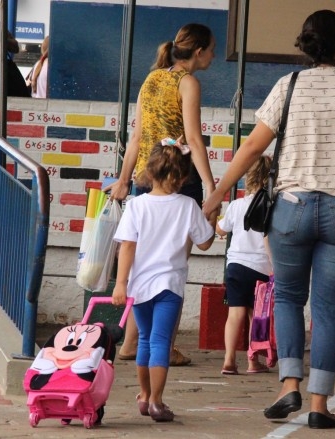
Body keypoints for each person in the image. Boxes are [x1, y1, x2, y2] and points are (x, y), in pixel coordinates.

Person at [202, 10, 335, 429]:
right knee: (328, 307)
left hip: (290, 209)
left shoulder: (287, 86)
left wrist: (219, 192)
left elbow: (255, 146)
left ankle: (288, 383)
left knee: (289, 297)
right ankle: (318, 405)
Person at [106, 23, 217, 367]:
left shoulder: (152, 79)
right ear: (198, 51)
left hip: (145, 178)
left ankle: (131, 342)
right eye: (212, 49)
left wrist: (124, 180)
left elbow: (136, 137)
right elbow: (194, 140)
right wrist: (212, 186)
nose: (213, 55)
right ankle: (163, 345)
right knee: (173, 266)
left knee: (145, 263)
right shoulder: (188, 82)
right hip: (179, 180)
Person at [111, 138, 217, 423]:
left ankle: (145, 396)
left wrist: (121, 284)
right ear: (183, 176)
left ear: (149, 172)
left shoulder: (136, 206)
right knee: (160, 341)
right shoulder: (188, 206)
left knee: (144, 339)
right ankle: (158, 400)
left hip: (139, 285)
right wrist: (211, 214)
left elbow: (127, 247)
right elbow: (205, 243)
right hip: (170, 286)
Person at [216, 155, 273, 375]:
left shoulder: (236, 205)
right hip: (261, 268)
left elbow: (221, 230)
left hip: (236, 266)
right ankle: (252, 361)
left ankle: (229, 360)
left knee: (235, 314)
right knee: (255, 316)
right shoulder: (272, 207)